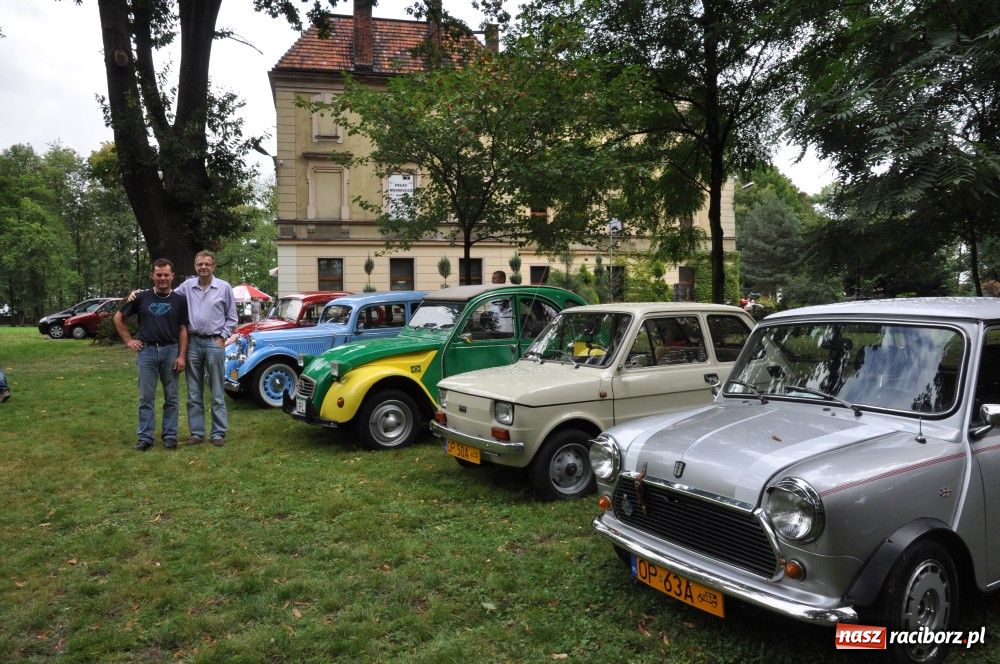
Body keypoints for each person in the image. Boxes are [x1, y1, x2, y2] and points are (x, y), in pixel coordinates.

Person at [115, 258, 189, 451]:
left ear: (172, 276)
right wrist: (128, 340)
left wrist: (181, 356)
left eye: (166, 275)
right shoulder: (141, 297)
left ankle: (170, 435)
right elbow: (118, 318)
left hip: (171, 351)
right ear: (152, 276)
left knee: (171, 396)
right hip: (146, 351)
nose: (162, 278)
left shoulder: (180, 300)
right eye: (159, 275)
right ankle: (145, 437)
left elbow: (183, 329)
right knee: (146, 397)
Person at [175, 251, 238, 447]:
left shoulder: (224, 287)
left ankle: (218, 433)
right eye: (200, 264)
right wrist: (142, 293)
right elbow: (166, 295)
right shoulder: (186, 287)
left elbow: (232, 317)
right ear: (195, 266)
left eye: (207, 264)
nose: (203, 267)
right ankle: (197, 433)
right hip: (193, 342)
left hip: (214, 343)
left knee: (217, 390)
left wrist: (223, 337)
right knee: (194, 391)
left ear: (213, 266)